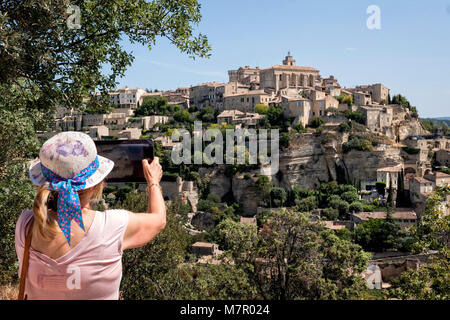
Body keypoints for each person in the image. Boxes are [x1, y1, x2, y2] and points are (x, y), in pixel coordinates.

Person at [15, 132, 166, 299]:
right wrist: (153, 182)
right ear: (94, 185)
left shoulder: (26, 225)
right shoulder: (112, 227)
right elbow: (158, 220)